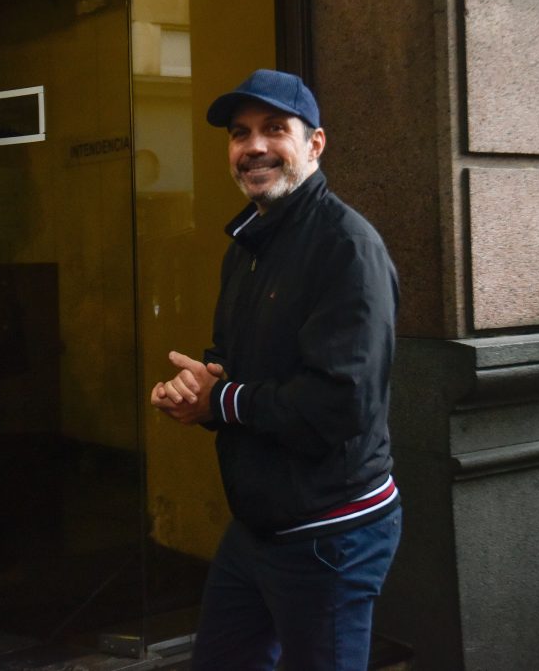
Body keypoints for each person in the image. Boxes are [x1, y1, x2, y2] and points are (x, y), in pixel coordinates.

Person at [150, 69, 402, 671]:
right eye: (240, 133)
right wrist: (197, 387)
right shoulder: (249, 244)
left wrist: (221, 400)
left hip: (330, 534)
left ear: (315, 144)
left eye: (274, 129)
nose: (254, 146)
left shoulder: (346, 247)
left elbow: (339, 403)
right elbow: (234, 361)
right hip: (257, 527)